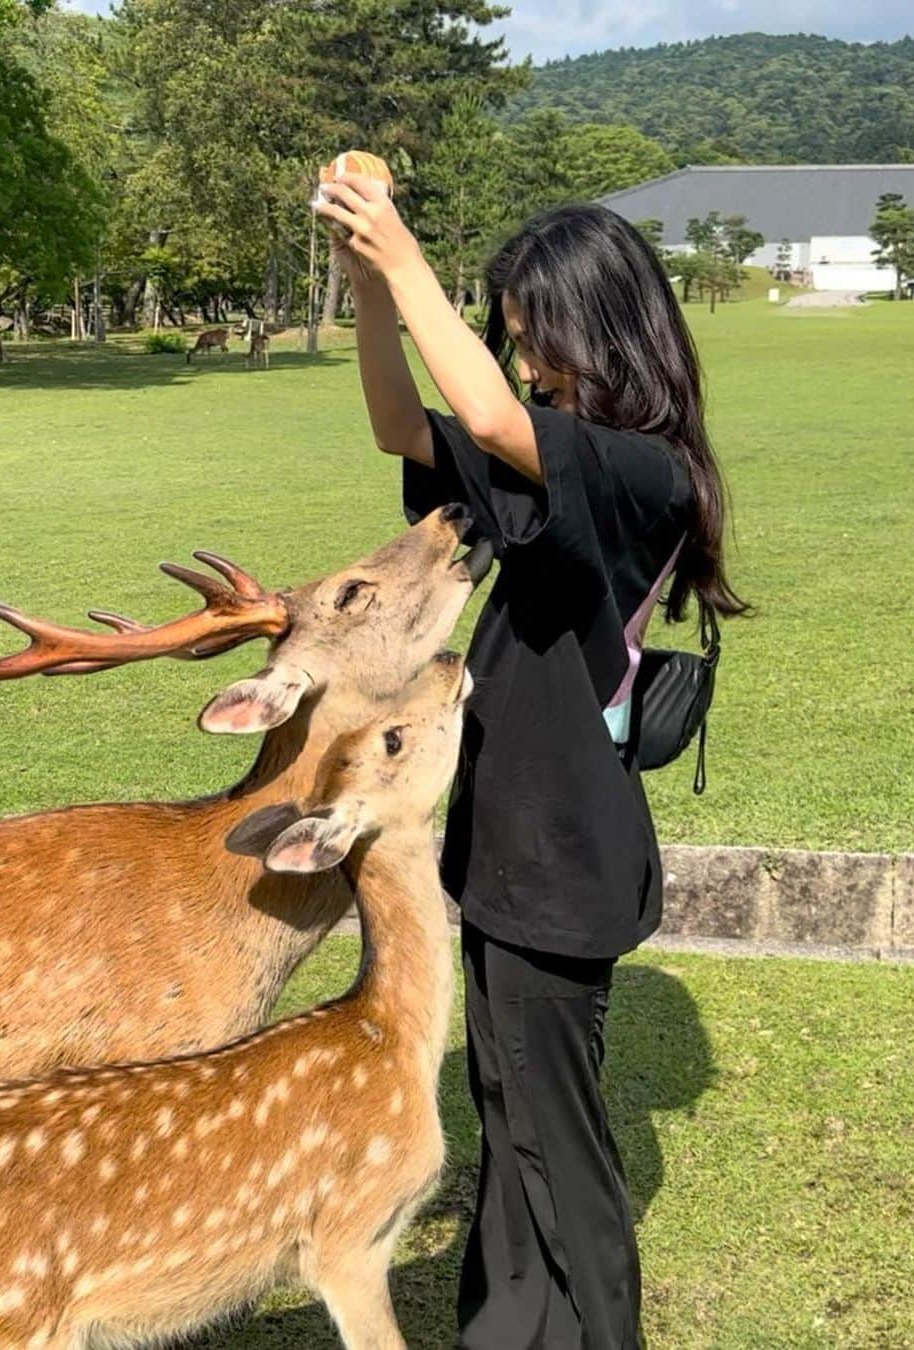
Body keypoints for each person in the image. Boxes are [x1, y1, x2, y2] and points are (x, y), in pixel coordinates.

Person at [316, 179, 747, 1350]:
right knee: (509, 1115)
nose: (522, 360)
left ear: (597, 329)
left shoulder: (637, 470)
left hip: (561, 861)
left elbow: (500, 423)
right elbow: (405, 428)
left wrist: (409, 254)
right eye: (509, 337)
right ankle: (509, 1327)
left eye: (533, 334)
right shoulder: (565, 465)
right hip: (512, 850)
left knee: (558, 1144)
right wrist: (369, 283)